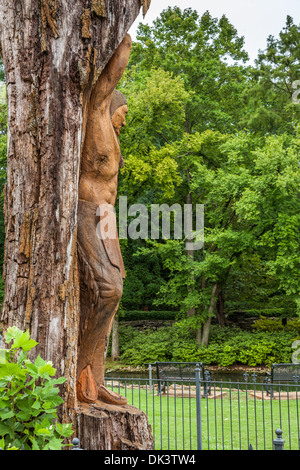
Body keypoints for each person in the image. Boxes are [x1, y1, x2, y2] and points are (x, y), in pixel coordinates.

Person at [76, 35, 131, 406]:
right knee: (106, 290)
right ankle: (77, 371)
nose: (126, 119)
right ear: (113, 105)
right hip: (87, 211)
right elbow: (109, 77)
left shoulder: (113, 136)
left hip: (107, 217)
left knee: (115, 295)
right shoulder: (96, 112)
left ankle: (94, 380)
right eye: (125, 112)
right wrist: (123, 36)